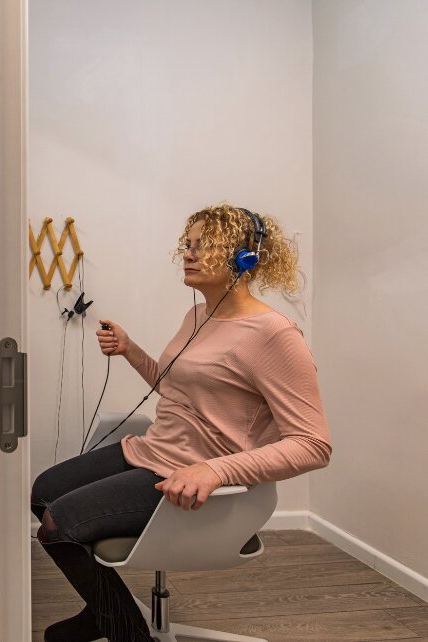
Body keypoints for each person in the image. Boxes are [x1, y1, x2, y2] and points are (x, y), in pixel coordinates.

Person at [30, 205, 332, 642]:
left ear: (244, 257)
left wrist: (215, 468)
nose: (188, 254)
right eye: (187, 245)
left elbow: (313, 443)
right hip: (154, 451)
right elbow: (179, 392)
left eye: (203, 245)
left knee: (58, 523)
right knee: (42, 490)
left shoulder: (273, 335)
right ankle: (106, 608)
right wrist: (131, 350)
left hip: (188, 475)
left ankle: (124, 630)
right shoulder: (198, 317)